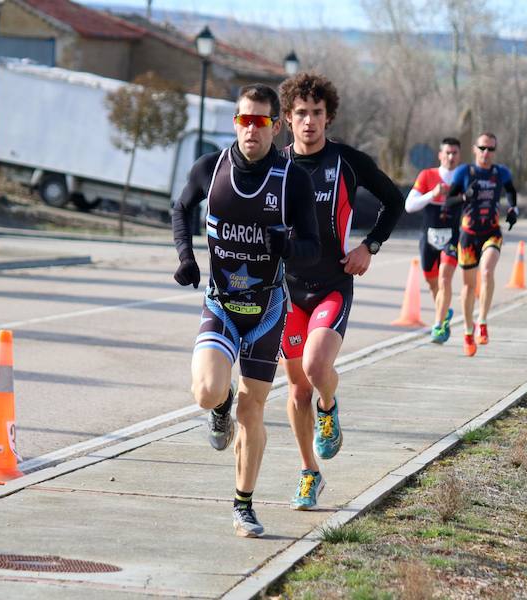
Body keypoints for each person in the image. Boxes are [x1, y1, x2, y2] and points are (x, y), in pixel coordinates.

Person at [171, 83, 320, 537]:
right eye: (243, 120)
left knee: (252, 410)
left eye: (259, 121)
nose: (250, 129)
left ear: (275, 126)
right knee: (207, 391)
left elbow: (313, 250)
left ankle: (243, 505)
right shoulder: (210, 167)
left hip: (267, 312)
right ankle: (217, 409)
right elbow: (180, 207)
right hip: (221, 304)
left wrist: (289, 246)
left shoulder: (293, 179)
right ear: (235, 122)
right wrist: (185, 257)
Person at [277, 72, 404, 510]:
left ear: (328, 117)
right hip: (286, 291)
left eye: (316, 113)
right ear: (288, 119)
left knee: (316, 367)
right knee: (295, 392)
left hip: (332, 284)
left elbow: (394, 200)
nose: (308, 121)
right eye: (300, 114)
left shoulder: (348, 161)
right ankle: (310, 473)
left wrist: (369, 246)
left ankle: (329, 407)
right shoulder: (276, 166)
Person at [445, 132, 518, 357]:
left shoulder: (501, 172)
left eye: (491, 149)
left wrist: (513, 209)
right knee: (468, 287)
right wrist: (465, 196)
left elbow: (511, 193)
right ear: (475, 149)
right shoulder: (464, 172)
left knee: (486, 271)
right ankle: (468, 333)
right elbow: (448, 202)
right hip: (467, 236)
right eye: (483, 148)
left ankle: (483, 321)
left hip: (491, 232)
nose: (487, 153)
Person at [405, 137, 463, 343]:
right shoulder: (427, 175)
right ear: (440, 155)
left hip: (453, 237)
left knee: (445, 278)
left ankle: (438, 325)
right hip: (428, 235)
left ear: (459, 155)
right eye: (447, 152)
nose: (450, 157)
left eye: (454, 153)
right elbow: (409, 206)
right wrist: (432, 194)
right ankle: (445, 310)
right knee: (432, 283)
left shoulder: (464, 177)